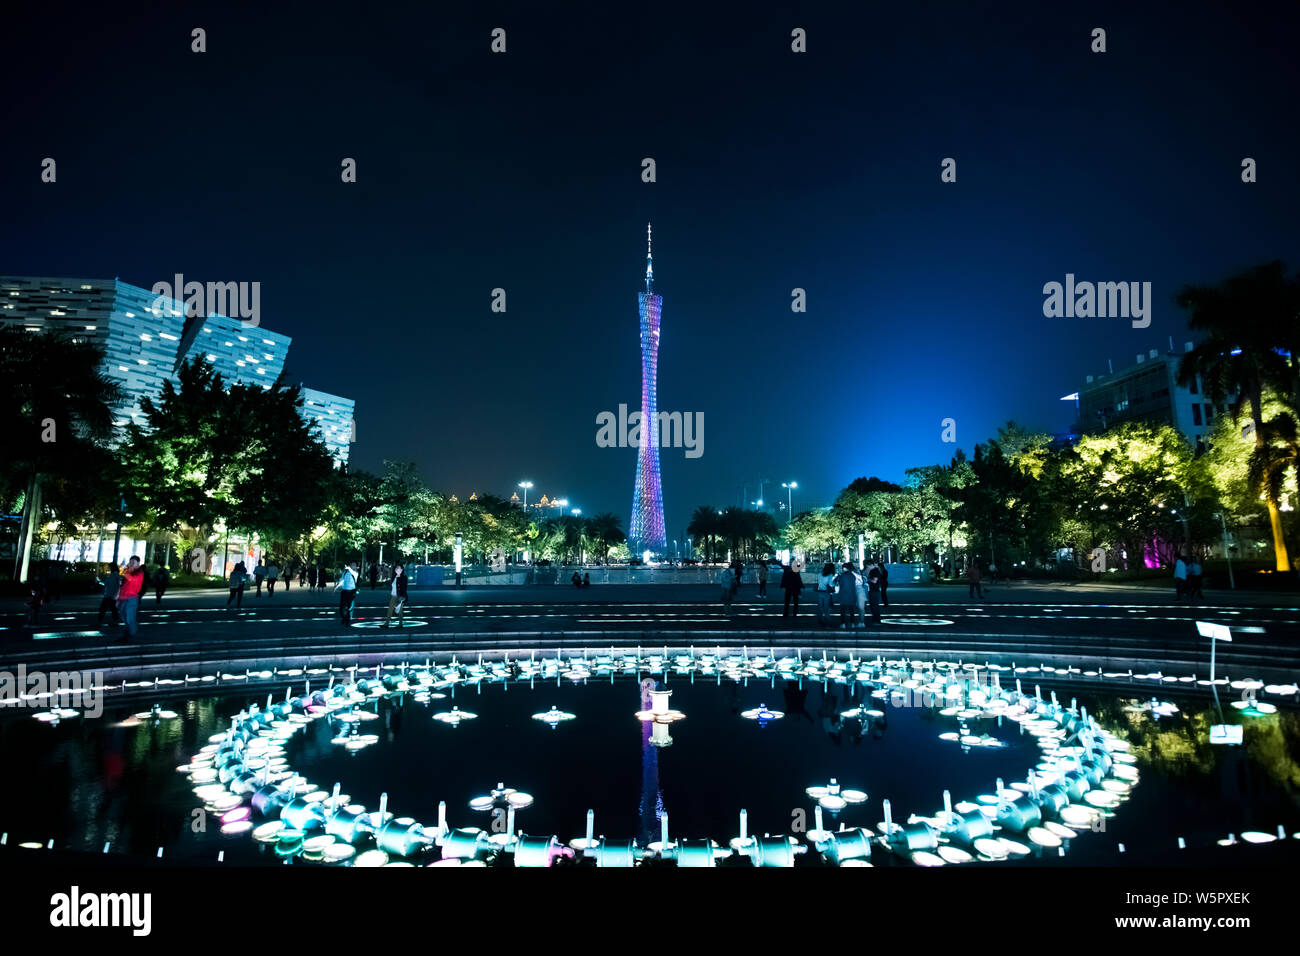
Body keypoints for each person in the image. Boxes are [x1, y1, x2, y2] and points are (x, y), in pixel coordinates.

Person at [117, 556, 145, 641]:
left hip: (131, 598)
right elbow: (122, 586)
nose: (132, 563)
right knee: (123, 615)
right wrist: (118, 598)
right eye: (131, 561)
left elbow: (131, 579)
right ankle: (128, 632)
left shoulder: (139, 573)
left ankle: (130, 634)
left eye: (134, 562)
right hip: (123, 598)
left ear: (138, 564)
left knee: (129, 617)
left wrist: (124, 569)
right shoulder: (128, 571)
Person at [836, 562, 860, 629]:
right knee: (851, 610)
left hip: (843, 595)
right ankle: (852, 623)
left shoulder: (841, 576)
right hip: (852, 595)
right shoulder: (852, 576)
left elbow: (836, 582)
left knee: (843, 611)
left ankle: (843, 624)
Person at [816, 562, 836, 626]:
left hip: (820, 591)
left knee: (820, 607)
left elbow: (818, 582)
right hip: (826, 592)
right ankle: (827, 622)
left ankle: (820, 620)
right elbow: (830, 584)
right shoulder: (830, 575)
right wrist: (834, 583)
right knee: (826, 608)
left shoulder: (820, 574)